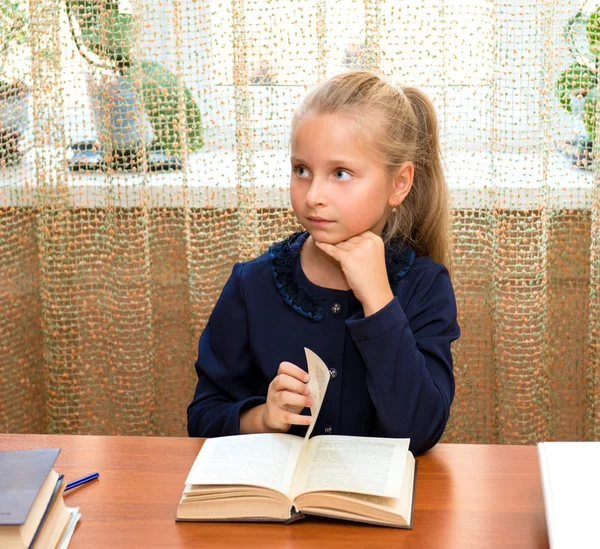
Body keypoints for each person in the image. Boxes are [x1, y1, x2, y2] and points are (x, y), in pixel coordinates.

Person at [187, 70, 460, 455]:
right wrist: (262, 417)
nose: (313, 194)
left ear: (399, 184)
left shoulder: (425, 286)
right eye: (302, 170)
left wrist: (379, 299)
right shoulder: (252, 284)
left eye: (341, 173)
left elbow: (419, 432)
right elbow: (202, 418)